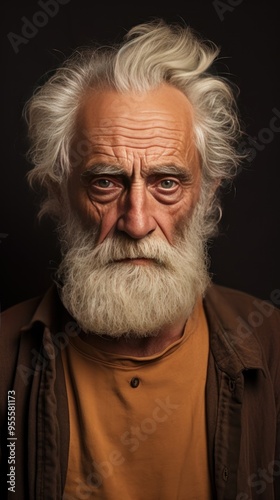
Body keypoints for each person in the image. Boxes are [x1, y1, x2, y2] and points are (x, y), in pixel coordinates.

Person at [0, 17, 279, 500]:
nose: (136, 221)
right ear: (59, 193)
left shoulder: (273, 347)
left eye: (167, 182)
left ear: (208, 194)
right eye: (105, 181)